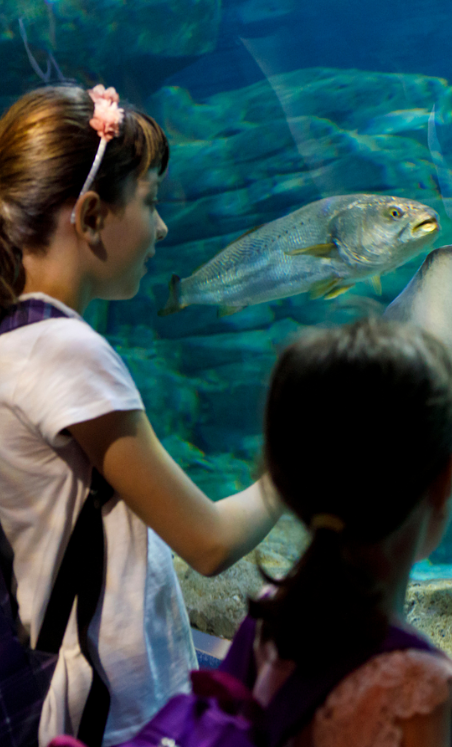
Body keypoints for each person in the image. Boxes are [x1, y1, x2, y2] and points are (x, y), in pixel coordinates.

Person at [0, 85, 282, 746]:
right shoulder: (67, 352)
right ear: (93, 214)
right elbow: (208, 540)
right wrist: (290, 476)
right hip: (106, 716)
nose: (161, 228)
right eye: (150, 201)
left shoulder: (15, 339)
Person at [244, 318, 452, 747]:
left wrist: (443, 451)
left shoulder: (269, 618)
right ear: (445, 483)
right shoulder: (420, 693)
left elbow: (365, 513)